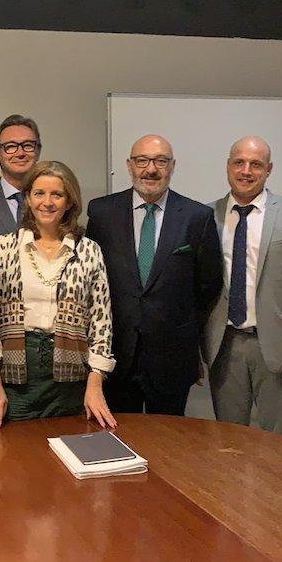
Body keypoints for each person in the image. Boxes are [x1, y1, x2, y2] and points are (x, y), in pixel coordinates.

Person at [86, 134, 223, 416]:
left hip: (172, 357)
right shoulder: (101, 212)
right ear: (129, 165)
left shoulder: (197, 217)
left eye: (160, 161)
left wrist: (188, 338)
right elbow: (92, 280)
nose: (151, 169)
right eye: (142, 161)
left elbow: (208, 284)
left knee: (170, 442)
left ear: (172, 166)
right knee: (119, 439)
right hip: (116, 355)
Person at [204, 136, 282, 436]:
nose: (246, 171)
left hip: (279, 349)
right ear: (228, 166)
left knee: (278, 444)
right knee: (229, 440)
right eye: (239, 162)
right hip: (224, 347)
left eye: (256, 164)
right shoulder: (206, 216)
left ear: (269, 169)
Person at [0, 161, 116, 428]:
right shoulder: (2, 248)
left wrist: (95, 383)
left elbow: (101, 324)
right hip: (16, 378)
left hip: (72, 379)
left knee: (71, 453)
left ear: (69, 202)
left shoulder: (89, 251)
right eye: (39, 193)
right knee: (15, 459)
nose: (48, 202)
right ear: (28, 199)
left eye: (57, 194)